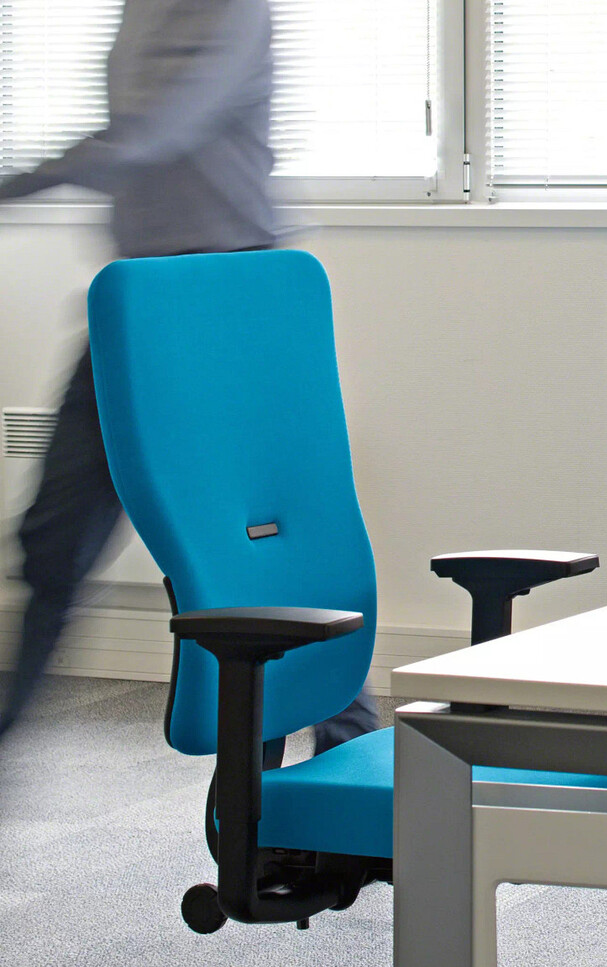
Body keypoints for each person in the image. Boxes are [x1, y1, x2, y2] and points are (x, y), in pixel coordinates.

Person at [0, 0, 375, 753]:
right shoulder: (141, 8)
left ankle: (344, 743)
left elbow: (157, 128)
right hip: (138, 300)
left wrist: (22, 181)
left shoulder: (232, 8)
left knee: (253, 544)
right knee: (52, 536)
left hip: (227, 295)